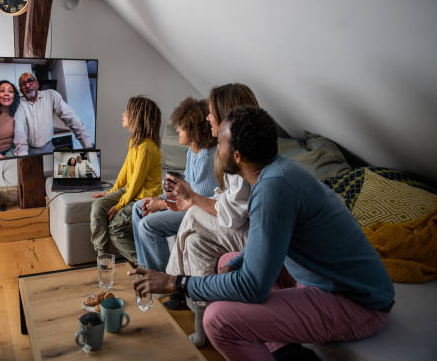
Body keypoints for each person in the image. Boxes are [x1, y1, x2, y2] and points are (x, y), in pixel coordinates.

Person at [130, 106, 395, 361]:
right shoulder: (276, 171)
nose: (216, 148)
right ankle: (285, 351)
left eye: (220, 143)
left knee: (218, 320)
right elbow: (273, 241)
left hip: (357, 302)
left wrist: (175, 282)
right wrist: (238, 262)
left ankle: (280, 347)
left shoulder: (273, 189)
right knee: (227, 262)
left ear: (237, 156)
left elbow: (252, 287)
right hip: (326, 281)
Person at [161, 84, 259, 316]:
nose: (207, 118)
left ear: (227, 117)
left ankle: (171, 283)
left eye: (212, 112)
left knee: (194, 215)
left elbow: (232, 216)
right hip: (240, 225)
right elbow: (226, 197)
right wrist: (190, 199)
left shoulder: (242, 156)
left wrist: (193, 200)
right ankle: (203, 312)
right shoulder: (231, 151)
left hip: (250, 233)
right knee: (195, 242)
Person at [131, 97, 218, 286]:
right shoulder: (192, 150)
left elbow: (197, 200)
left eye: (181, 127)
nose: (177, 130)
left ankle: (164, 281)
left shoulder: (208, 158)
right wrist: (166, 194)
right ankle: (146, 270)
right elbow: (188, 183)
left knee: (148, 226)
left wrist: (162, 204)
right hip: (188, 200)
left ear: (194, 130)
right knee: (139, 207)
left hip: (200, 209)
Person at [90, 96, 163, 264]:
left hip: (142, 195)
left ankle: (145, 266)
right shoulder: (135, 142)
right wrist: (112, 192)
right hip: (131, 191)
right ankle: (102, 256)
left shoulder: (146, 147)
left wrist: (119, 205)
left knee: (115, 226)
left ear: (137, 117)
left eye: (127, 111)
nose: (123, 114)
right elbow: (125, 170)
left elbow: (137, 182)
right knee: (98, 206)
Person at [13, 72, 93, 155]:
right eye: (23, 84)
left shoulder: (51, 95)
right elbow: (19, 131)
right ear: (20, 90)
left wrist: (88, 145)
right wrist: (22, 155)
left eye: (30, 81)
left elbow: (71, 119)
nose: (27, 85)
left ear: (37, 84)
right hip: (29, 151)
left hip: (49, 148)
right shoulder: (19, 103)